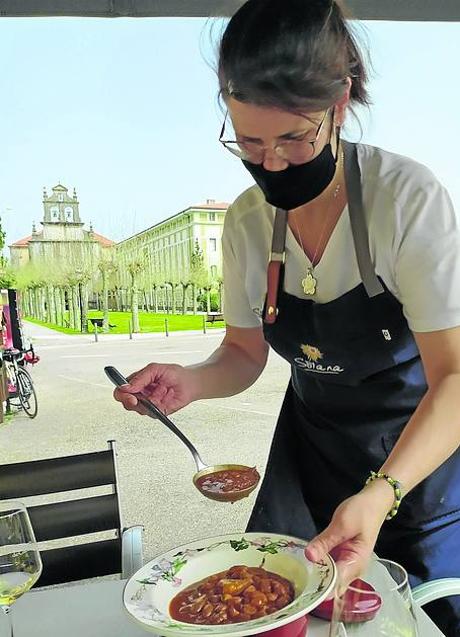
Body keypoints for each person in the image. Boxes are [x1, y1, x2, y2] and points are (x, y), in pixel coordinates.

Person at [114, 1, 460, 633]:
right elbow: (243, 353)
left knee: (424, 616)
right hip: (313, 457)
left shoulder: (404, 200)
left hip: (420, 462)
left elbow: (456, 380)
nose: (269, 163)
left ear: (340, 103)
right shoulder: (248, 221)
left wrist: (383, 492)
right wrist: (189, 380)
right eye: (247, 141)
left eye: (292, 139)